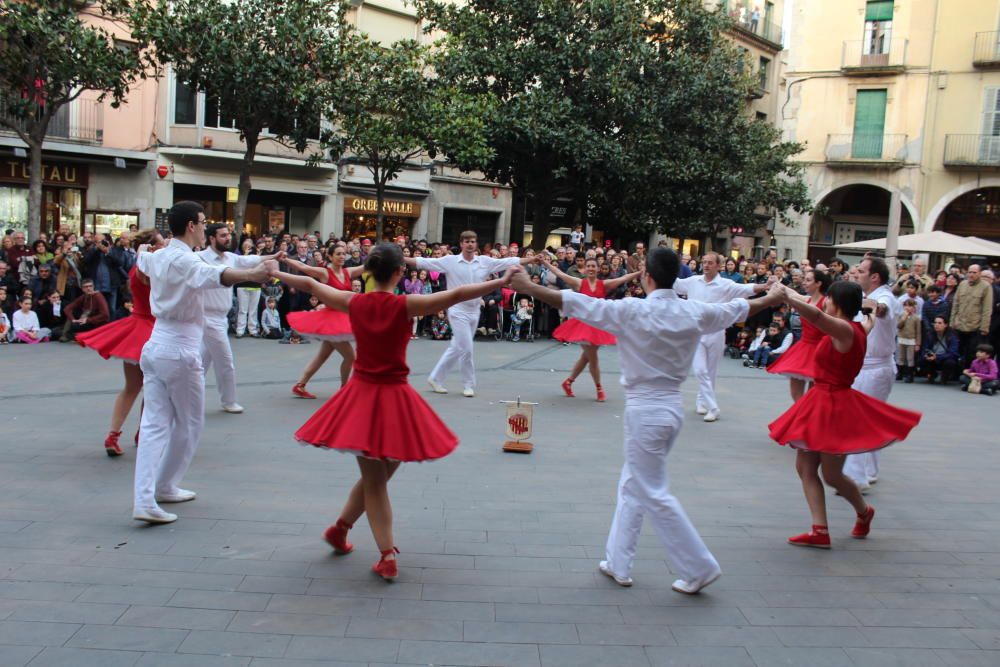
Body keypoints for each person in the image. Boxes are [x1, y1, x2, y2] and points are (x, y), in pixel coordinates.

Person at [509, 249, 784, 594]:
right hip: (668, 410)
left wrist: (528, 286)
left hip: (647, 412)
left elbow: (576, 303)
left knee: (651, 491)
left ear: (646, 277)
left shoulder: (633, 310)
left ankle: (699, 566)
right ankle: (618, 561)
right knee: (634, 484)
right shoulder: (692, 310)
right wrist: (772, 297)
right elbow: (738, 310)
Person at [274, 244, 520, 581]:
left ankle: (340, 529)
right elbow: (459, 293)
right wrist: (501, 280)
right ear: (399, 272)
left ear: (371, 271)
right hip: (393, 397)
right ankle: (386, 554)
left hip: (365, 396)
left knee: (377, 475)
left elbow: (312, 286)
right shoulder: (406, 305)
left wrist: (273, 271)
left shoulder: (354, 302)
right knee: (377, 480)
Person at [132, 201, 274, 525]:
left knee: (156, 424)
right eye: (202, 221)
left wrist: (141, 251)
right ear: (193, 226)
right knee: (189, 422)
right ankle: (161, 488)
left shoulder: (161, 255)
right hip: (178, 349)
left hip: (156, 346)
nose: (204, 225)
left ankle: (152, 494)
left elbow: (143, 259)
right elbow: (212, 274)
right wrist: (252, 273)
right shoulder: (182, 258)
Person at [769, 282, 921, 549]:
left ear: (836, 303)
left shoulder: (843, 329)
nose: (824, 303)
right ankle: (821, 529)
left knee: (831, 475)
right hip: (822, 400)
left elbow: (815, 316)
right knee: (806, 468)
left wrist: (788, 299)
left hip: (832, 404)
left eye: (828, 299)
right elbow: (864, 319)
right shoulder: (860, 327)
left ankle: (863, 512)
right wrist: (784, 291)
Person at [407, 230, 533, 397]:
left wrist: (531, 259)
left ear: (476, 244)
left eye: (472, 241)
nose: (470, 244)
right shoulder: (450, 261)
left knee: (456, 347)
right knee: (466, 347)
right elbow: (423, 262)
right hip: (457, 309)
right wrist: (397, 258)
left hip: (474, 310)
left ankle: (436, 378)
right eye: (466, 241)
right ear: (461, 244)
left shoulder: (485, 262)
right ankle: (468, 384)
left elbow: (508, 261)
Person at [76, 229, 165, 456]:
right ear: (151, 247)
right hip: (152, 330)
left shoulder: (136, 269)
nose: (166, 247)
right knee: (155, 388)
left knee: (132, 387)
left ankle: (113, 435)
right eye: (162, 244)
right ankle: (144, 433)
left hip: (136, 329)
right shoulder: (154, 270)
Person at [672, 252, 772, 421]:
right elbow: (675, 284)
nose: (706, 265)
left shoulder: (726, 284)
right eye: (704, 262)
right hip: (696, 332)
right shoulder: (692, 281)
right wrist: (657, 269)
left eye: (710, 262)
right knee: (700, 370)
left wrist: (765, 286)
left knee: (710, 371)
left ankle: (702, 400)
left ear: (719, 266)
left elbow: (746, 289)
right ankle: (713, 407)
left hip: (716, 332)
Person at [199, 223, 276, 414]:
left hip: (220, 318)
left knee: (200, 364)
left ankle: (189, 399)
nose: (228, 238)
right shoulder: (199, 258)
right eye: (223, 235)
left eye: (229, 235)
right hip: (205, 318)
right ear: (212, 238)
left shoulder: (231, 257)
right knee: (224, 362)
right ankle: (228, 401)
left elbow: (251, 260)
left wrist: (274, 256)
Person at [544, 256, 639, 401]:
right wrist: (545, 262)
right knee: (593, 358)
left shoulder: (604, 284)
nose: (590, 268)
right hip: (583, 325)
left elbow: (623, 278)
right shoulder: (579, 283)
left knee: (586, 357)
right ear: (585, 268)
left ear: (597, 268)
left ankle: (568, 382)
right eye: (588, 266)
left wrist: (639, 273)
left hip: (598, 324)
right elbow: (561, 274)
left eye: (593, 266)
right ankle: (599, 389)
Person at [843, 257, 901, 493]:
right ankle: (870, 470)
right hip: (865, 367)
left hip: (877, 369)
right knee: (868, 419)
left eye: (862, 271)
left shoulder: (885, 296)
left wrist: (872, 306)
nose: (857, 274)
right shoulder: (865, 297)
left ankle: (856, 477)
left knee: (860, 421)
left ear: (875, 276)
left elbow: (882, 307)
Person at [286, 246, 364, 399]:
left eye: (343, 254)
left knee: (322, 356)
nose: (342, 257)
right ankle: (344, 389)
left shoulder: (348, 272)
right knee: (350, 357)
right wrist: (285, 259)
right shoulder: (325, 273)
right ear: (330, 256)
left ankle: (300, 385)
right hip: (331, 321)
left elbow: (367, 266)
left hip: (341, 320)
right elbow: (303, 267)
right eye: (338, 254)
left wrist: (382, 254)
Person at [768, 269, 833, 401]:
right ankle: (801, 416)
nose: (804, 283)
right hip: (803, 347)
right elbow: (792, 293)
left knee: (813, 393)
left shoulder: (826, 302)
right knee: (795, 392)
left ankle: (810, 417)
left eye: (808, 280)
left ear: (818, 283)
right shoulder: (808, 299)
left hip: (819, 349)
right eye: (805, 279)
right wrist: (778, 284)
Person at [950, 264, 993, 366]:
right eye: (969, 272)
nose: (971, 274)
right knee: (957, 350)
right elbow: (955, 304)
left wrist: (984, 327)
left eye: (974, 272)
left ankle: (968, 374)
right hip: (959, 324)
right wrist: (952, 321)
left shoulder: (986, 286)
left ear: (979, 274)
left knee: (971, 352)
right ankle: (956, 374)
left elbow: (987, 308)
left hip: (975, 326)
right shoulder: (962, 284)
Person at [920, 316, 961, 383]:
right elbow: (924, 348)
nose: (936, 325)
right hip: (932, 357)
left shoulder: (952, 336)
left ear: (945, 325)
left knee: (950, 362)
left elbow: (953, 353)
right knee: (921, 359)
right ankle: (932, 374)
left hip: (945, 358)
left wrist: (937, 357)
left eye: (939, 323)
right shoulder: (930, 334)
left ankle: (945, 376)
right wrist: (925, 355)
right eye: (935, 323)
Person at [895, 299, 921, 383]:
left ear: (914, 308)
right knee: (901, 356)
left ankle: (910, 375)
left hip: (911, 340)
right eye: (905, 305)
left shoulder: (916, 318)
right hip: (901, 338)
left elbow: (918, 331)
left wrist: (918, 344)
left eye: (910, 306)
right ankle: (900, 373)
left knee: (910, 358)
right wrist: (903, 319)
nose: (907, 308)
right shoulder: (901, 315)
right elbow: (898, 326)